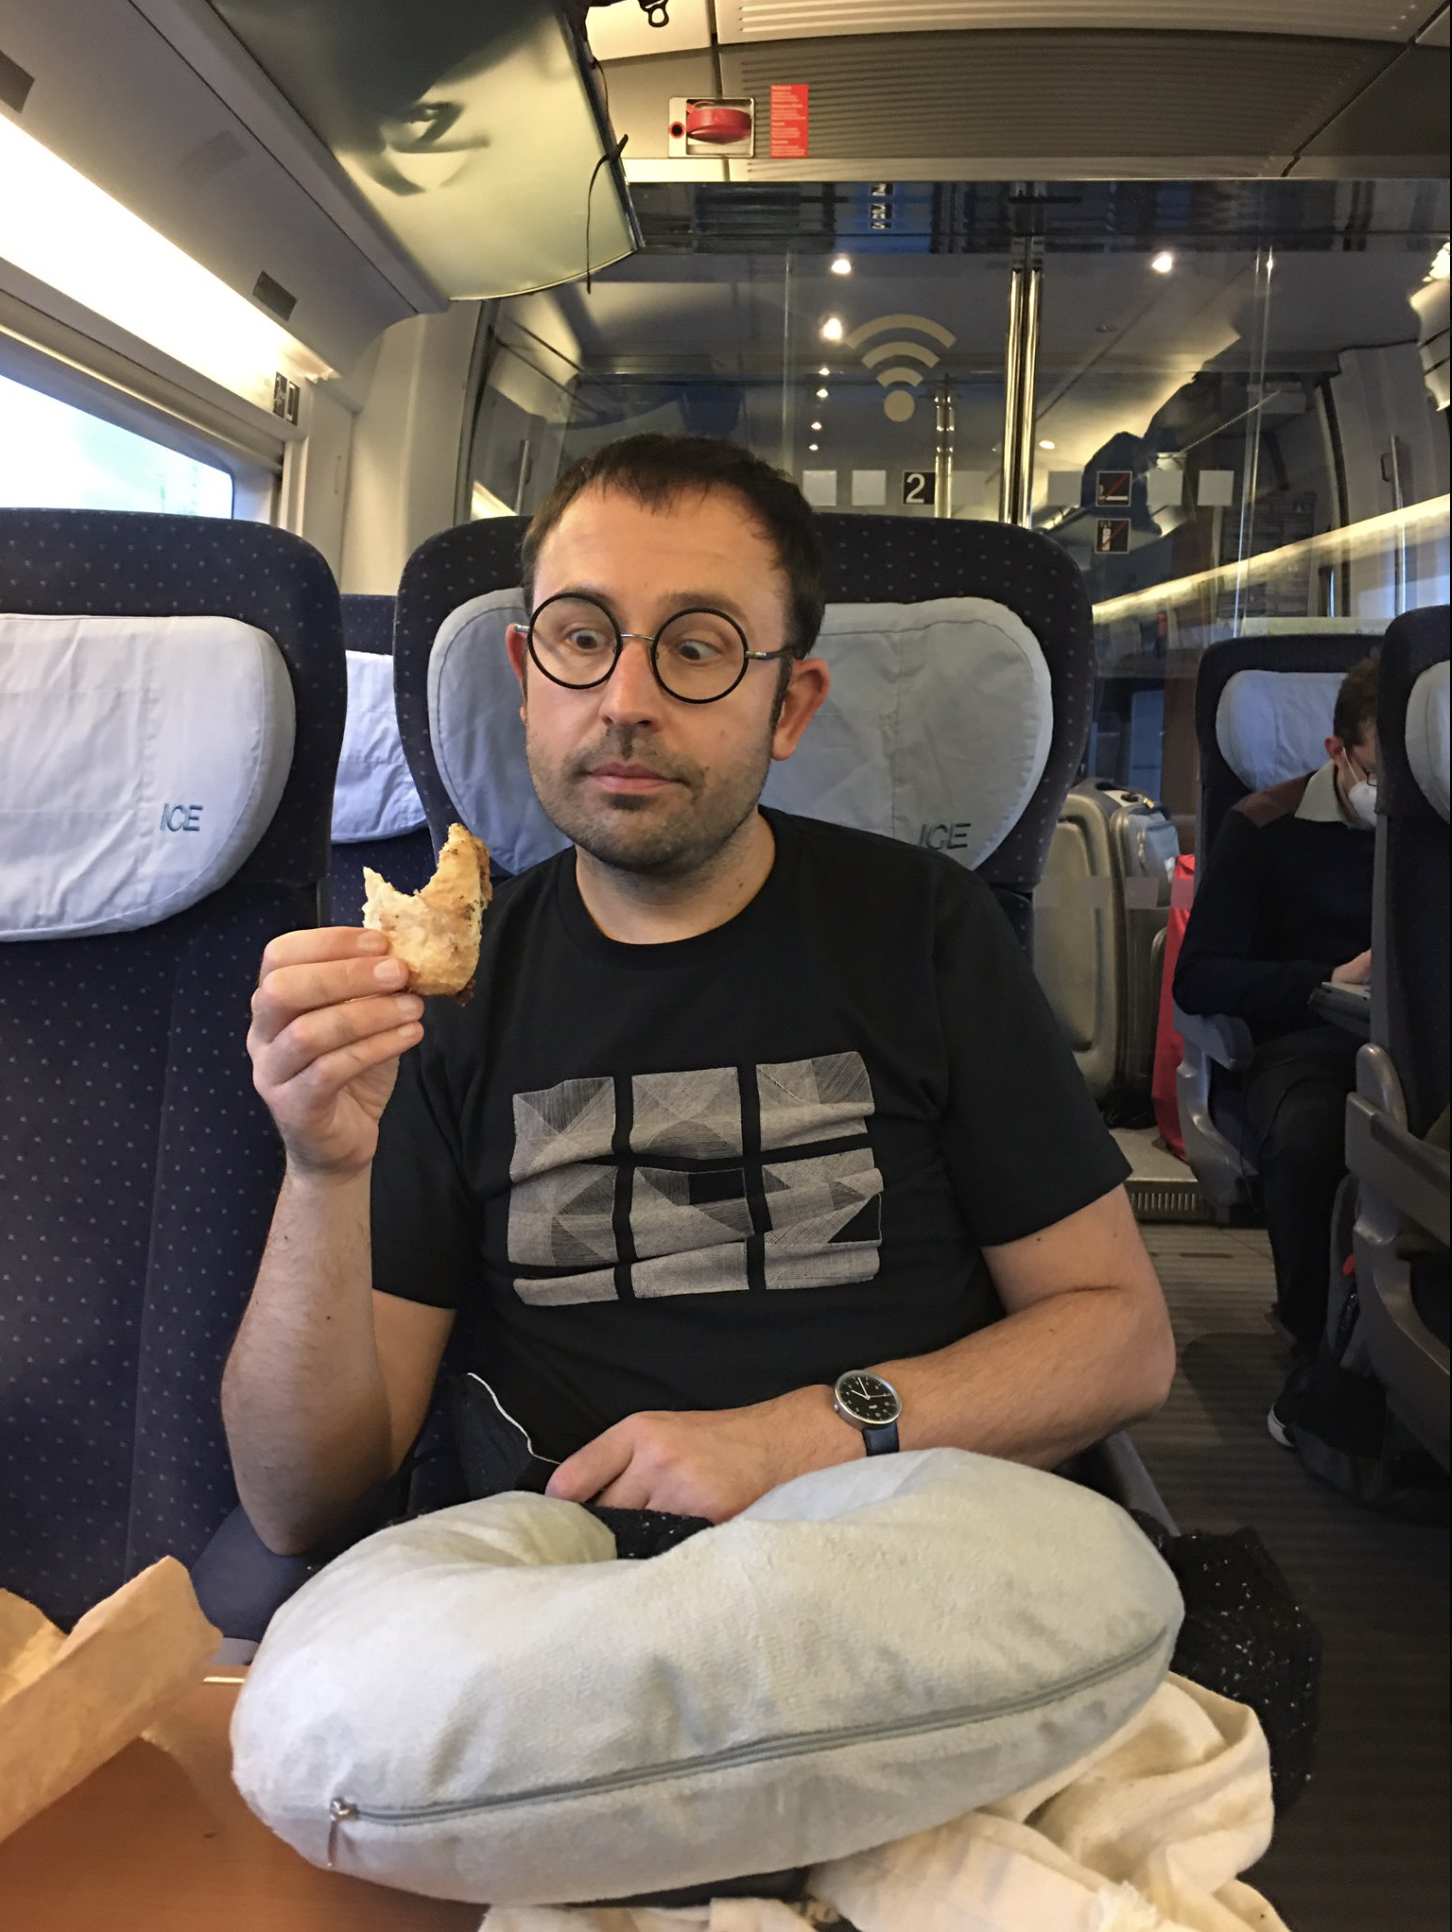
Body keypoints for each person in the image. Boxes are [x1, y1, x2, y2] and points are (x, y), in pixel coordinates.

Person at [222, 433, 1175, 1578]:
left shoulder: (924, 931)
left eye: (700, 649)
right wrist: (321, 1172)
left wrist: (801, 1437)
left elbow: (1122, 1339)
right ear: (528, 679)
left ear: (789, 705)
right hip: (572, 1589)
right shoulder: (443, 997)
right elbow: (300, 1502)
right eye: (583, 639)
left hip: (907, 1549)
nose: (627, 701)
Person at [1174, 654, 1379, 1362]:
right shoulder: (1266, 827)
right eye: (1382, 774)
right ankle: (1315, 1340)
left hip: (1425, 1046)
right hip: (1309, 1044)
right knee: (1312, 1138)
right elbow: (1198, 979)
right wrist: (1325, 976)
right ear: (1338, 752)